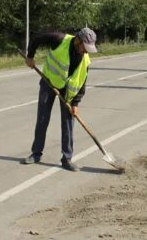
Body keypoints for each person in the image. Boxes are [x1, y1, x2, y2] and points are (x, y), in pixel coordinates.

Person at [22, 27, 97, 172]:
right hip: (48, 81)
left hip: (67, 91)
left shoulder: (85, 60)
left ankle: (67, 159)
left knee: (68, 123)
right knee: (42, 119)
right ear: (78, 40)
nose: (86, 51)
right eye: (85, 47)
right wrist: (30, 56)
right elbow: (37, 38)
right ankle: (36, 154)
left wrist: (75, 103)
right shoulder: (59, 39)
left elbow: (82, 82)